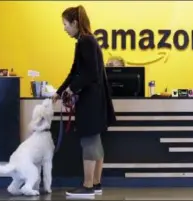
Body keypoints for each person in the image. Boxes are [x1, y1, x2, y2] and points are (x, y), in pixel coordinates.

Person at [52, 5, 116, 197]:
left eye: (65, 24)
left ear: (75, 23)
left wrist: (71, 89)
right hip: (95, 100)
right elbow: (74, 71)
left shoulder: (85, 41)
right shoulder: (85, 41)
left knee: (89, 142)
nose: (64, 28)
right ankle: (96, 184)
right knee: (95, 142)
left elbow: (88, 73)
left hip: (90, 101)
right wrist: (60, 91)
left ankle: (87, 186)